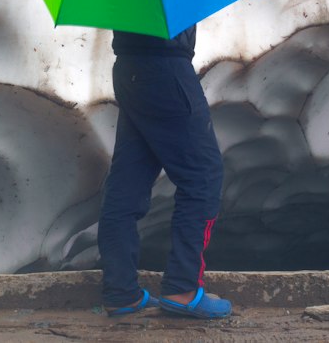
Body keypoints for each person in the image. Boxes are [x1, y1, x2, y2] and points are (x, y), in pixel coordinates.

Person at [98, 23, 232, 320]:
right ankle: (183, 289)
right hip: (165, 66)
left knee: (127, 183)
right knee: (203, 177)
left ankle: (121, 293)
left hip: (129, 65)